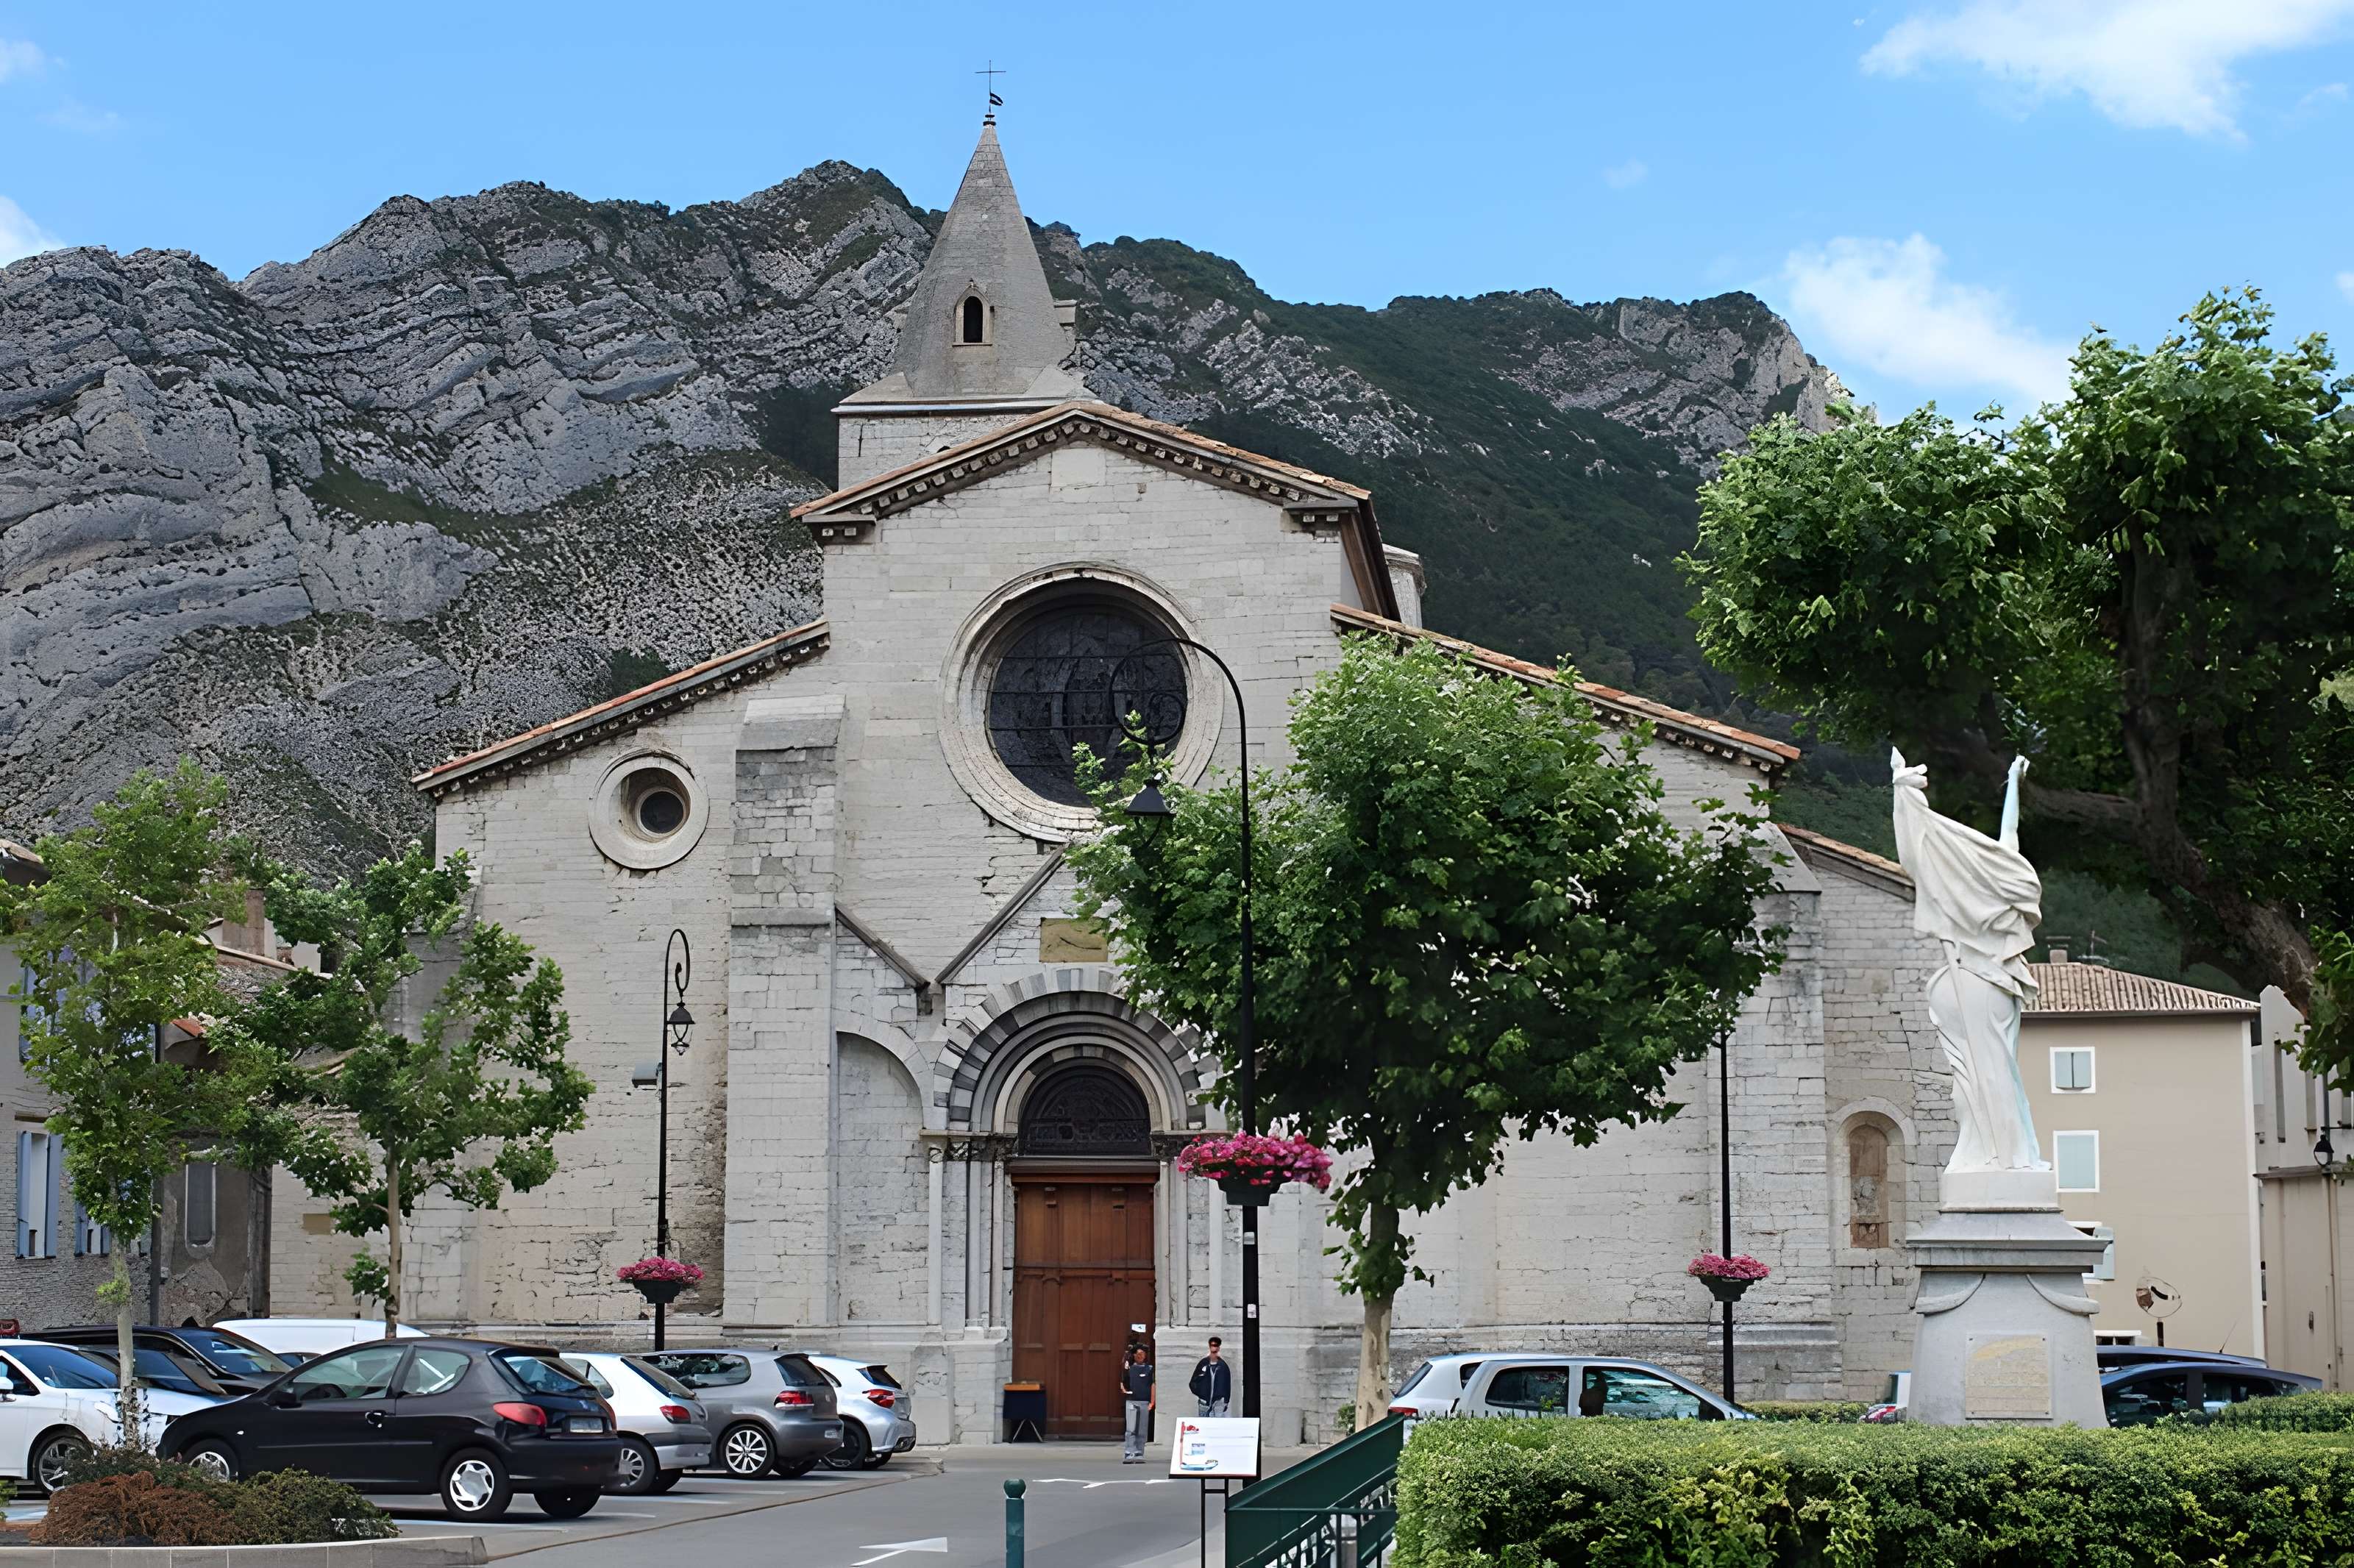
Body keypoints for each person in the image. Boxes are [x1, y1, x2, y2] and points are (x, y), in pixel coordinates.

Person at [1120, 1344, 1155, 1462]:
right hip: (1132, 1401)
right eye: (1138, 1354)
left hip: (1144, 1401)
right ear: (1134, 1355)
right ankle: (1129, 1452)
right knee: (1131, 1429)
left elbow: (1153, 1385)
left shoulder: (1149, 1368)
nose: (1141, 1356)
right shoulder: (1129, 1368)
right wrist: (1126, 1392)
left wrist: (1152, 1401)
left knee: (1142, 1429)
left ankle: (1139, 1452)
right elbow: (1123, 1381)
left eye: (1143, 1354)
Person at [1189, 1337, 1232, 1416]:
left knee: (1217, 1426)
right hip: (1204, 1402)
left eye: (1216, 1345)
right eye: (1212, 1345)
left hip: (1218, 1403)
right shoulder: (1203, 1363)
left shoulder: (1223, 1366)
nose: (1214, 1347)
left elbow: (1227, 1385)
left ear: (1219, 1348)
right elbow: (1193, 1382)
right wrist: (1201, 1394)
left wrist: (1226, 1401)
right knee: (1203, 1425)